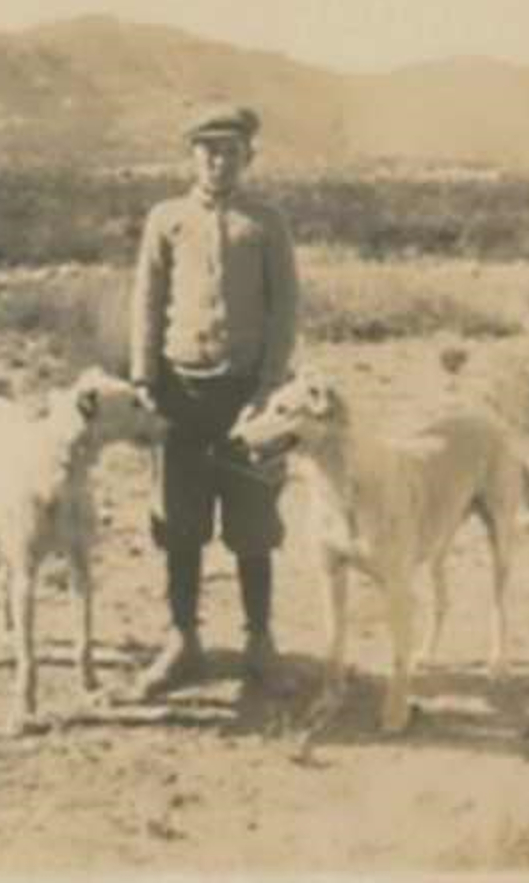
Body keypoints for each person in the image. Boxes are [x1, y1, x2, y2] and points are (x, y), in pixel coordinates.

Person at [129, 103, 300, 698]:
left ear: (247, 157)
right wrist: (145, 380)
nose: (218, 160)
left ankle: (259, 641)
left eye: (230, 150)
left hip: (247, 396)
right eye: (207, 149)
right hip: (180, 393)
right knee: (180, 523)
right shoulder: (166, 219)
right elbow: (147, 303)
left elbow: (285, 311)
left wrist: (268, 389)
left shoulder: (267, 222)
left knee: (254, 524)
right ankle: (183, 640)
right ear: (191, 156)